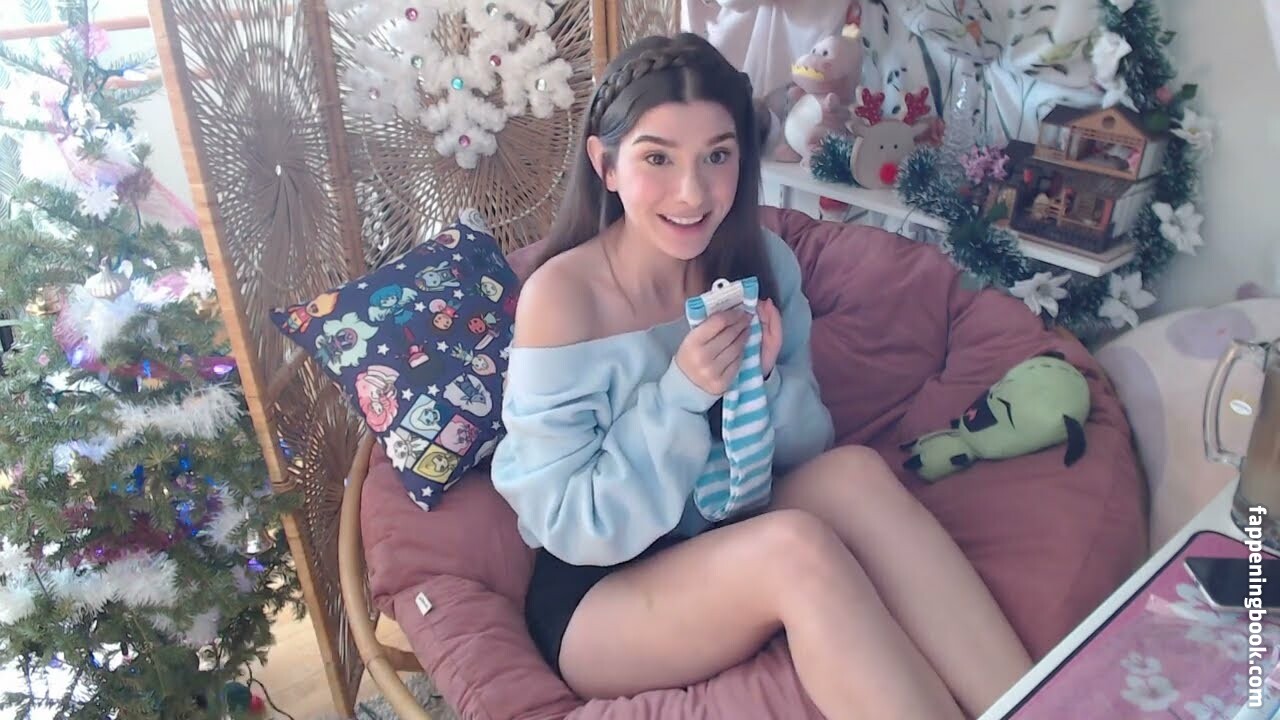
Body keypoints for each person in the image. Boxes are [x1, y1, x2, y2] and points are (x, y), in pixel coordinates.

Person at [489, 32, 1032, 720]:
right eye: (657, 157)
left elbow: (804, 455)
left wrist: (766, 382)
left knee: (855, 473)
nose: (692, 193)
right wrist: (681, 398)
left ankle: (1044, 703)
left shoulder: (760, 261)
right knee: (792, 550)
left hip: (718, 528)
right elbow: (571, 521)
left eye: (717, 156)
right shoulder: (562, 299)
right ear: (607, 165)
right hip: (600, 590)